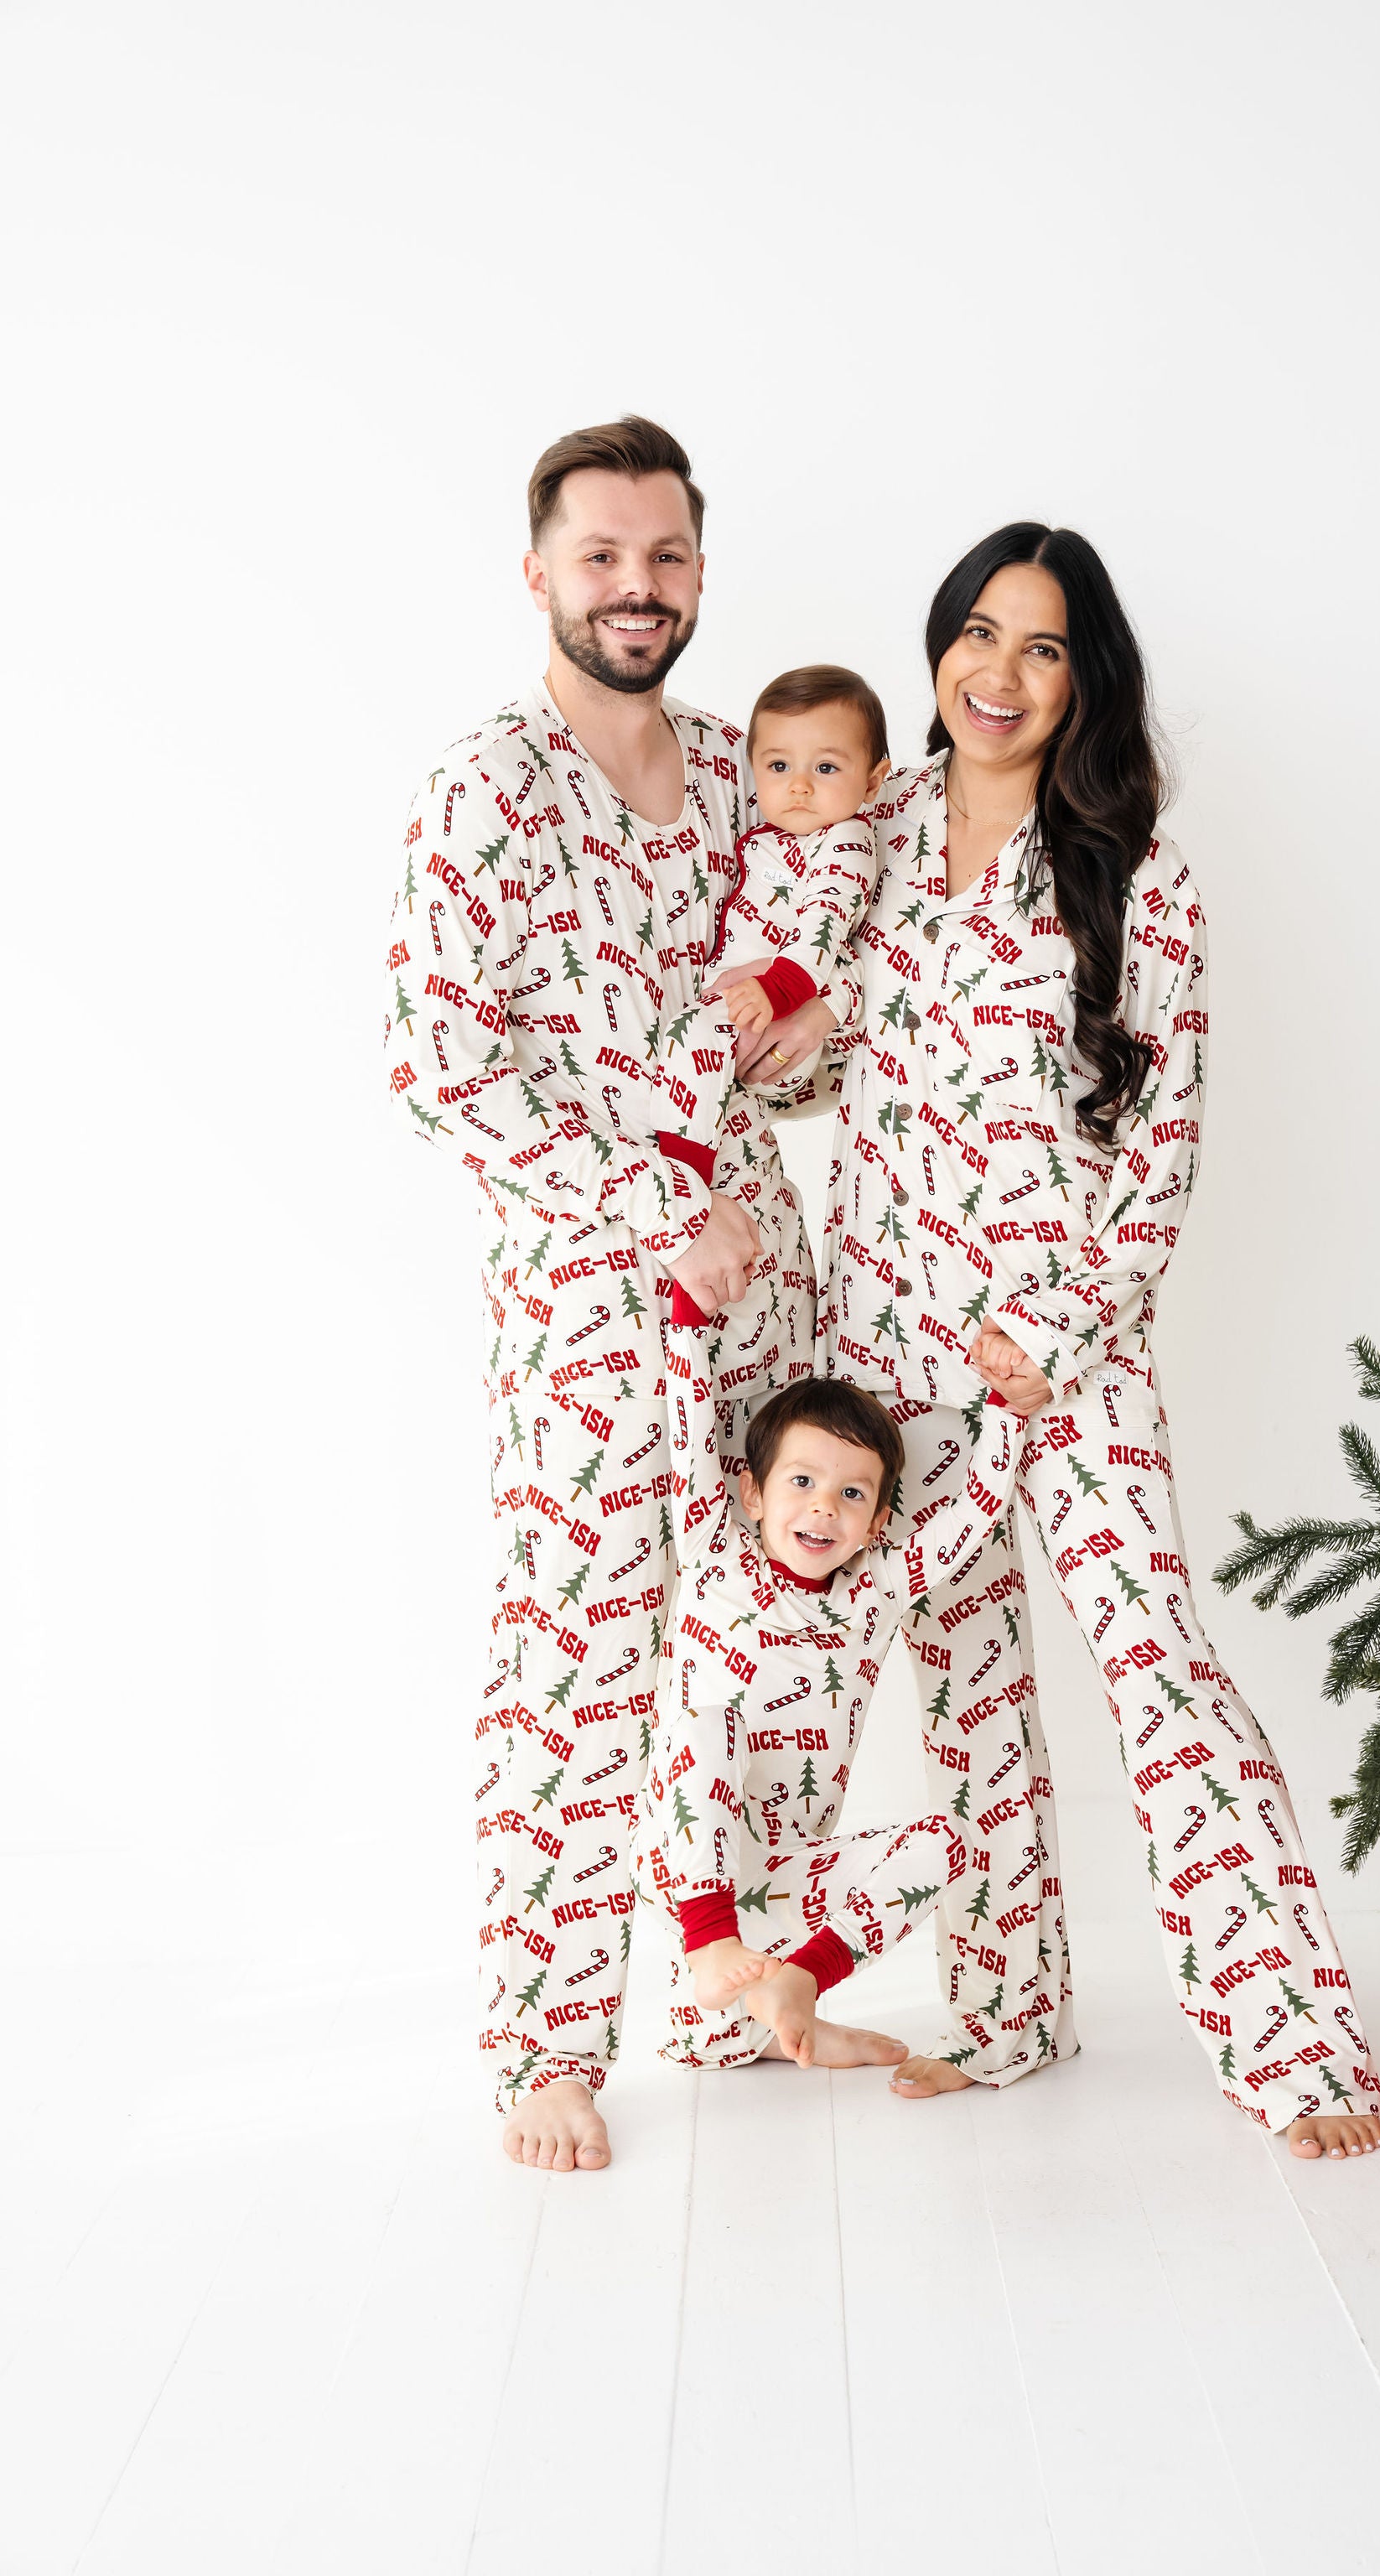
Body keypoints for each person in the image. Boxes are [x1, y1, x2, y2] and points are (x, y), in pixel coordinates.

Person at [817, 522, 1380, 2158]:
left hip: (1063, 1349)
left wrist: (1055, 1326)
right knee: (970, 1689)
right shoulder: (852, 842)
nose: (998, 674)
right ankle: (1011, 2016)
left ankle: (1288, 2041)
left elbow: (1160, 1150)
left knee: (1158, 1669)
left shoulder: (1137, 880)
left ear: (1086, 681)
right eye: (978, 635)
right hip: (889, 1350)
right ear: (937, 648)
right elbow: (804, 1072)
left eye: (1043, 647)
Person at [381, 417, 880, 2177]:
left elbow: (821, 1056)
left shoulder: (764, 772)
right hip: (598, 1318)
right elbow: (442, 1060)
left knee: (775, 1653)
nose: (635, 588)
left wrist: (804, 1028)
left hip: (770, 1322)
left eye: (664, 557)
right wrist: (641, 1212)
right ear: (539, 574)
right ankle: (546, 2043)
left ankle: (734, 1987)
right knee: (579, 1671)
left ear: (697, 571)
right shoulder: (487, 792)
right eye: (601, 557)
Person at [636, 1370, 1023, 2069]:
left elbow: (974, 1514)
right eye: (803, 1482)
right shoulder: (712, 1552)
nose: (823, 1509)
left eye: (851, 1494)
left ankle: (799, 1984)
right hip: (684, 1864)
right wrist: (691, 1314)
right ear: (752, 1492)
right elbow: (690, 1427)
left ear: (877, 1524)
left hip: (786, 1879)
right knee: (710, 1726)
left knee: (950, 1839)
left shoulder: (873, 1594)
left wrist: (1006, 1409)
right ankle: (713, 1944)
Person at [651, 666, 887, 1328]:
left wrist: (774, 989)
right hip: (756, 1010)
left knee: (690, 1050)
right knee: (690, 1078)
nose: (800, 786)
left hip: (776, 1005)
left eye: (827, 768)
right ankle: (689, 1199)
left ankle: (683, 1200)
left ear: (873, 780)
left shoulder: (845, 844)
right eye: (779, 765)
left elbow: (825, 926)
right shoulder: (771, 839)